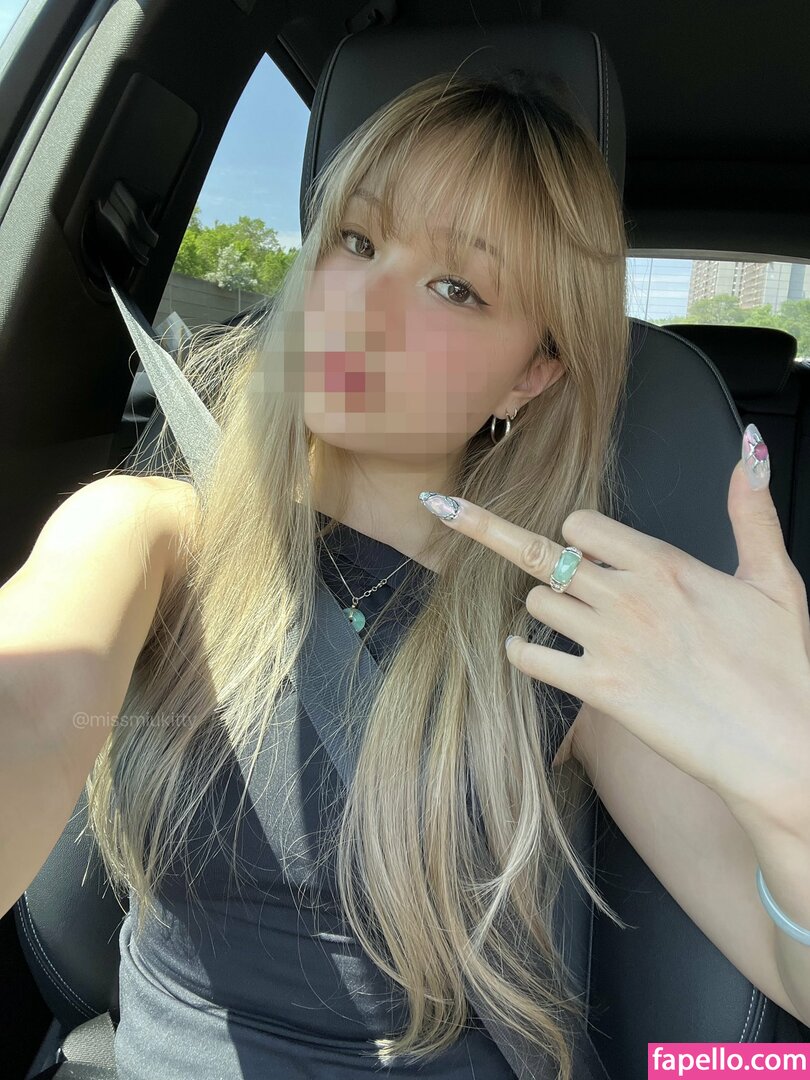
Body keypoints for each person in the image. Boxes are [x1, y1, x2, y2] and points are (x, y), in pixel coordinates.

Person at [83, 69, 633, 1079]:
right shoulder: (155, 532)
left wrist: (786, 763)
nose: (361, 304)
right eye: (357, 240)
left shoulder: (565, 638)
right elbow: (28, 700)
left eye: (457, 288)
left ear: (532, 374)